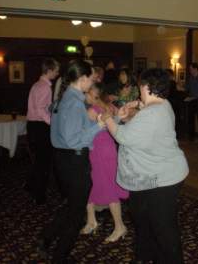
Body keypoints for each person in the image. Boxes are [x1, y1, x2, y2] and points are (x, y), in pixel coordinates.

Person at [101, 68, 189, 264]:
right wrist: (129, 112)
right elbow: (141, 123)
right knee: (145, 223)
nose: (139, 91)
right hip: (150, 176)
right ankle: (147, 257)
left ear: (147, 87)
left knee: (164, 230)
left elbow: (123, 136)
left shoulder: (153, 112)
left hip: (161, 179)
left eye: (141, 86)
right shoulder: (162, 105)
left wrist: (108, 118)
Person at [37, 59, 104, 263]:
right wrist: (97, 127)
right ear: (82, 79)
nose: (92, 83)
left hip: (63, 161)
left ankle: (46, 236)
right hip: (74, 161)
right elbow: (73, 139)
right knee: (76, 214)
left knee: (71, 206)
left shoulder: (62, 97)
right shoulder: (74, 102)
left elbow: (60, 127)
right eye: (91, 79)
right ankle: (60, 255)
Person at [80, 83, 129, 243]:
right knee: (94, 184)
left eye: (86, 91)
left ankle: (119, 225)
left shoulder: (91, 110)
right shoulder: (106, 106)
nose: (83, 94)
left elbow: (81, 133)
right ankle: (91, 220)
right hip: (107, 149)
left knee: (106, 187)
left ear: (93, 93)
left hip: (99, 151)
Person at [25, 58, 60, 204]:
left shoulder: (36, 84)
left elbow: (41, 107)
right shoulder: (45, 87)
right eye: (56, 70)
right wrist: (52, 122)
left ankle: (30, 186)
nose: (58, 73)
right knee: (44, 162)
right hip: (40, 127)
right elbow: (40, 109)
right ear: (50, 70)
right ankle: (39, 195)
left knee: (39, 160)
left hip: (33, 125)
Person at [186, 62, 198, 144]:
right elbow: (187, 88)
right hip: (191, 101)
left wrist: (191, 97)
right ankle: (191, 138)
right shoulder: (190, 78)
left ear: (196, 69)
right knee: (191, 120)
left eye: (191, 69)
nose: (190, 71)